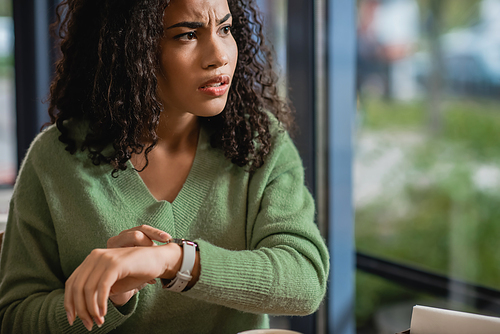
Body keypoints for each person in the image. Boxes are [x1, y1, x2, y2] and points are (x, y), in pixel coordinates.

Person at [0, 0, 329, 332]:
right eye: (187, 35)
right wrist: (110, 298)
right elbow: (15, 318)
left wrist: (173, 260)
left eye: (225, 29)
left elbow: (305, 279)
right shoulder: (54, 160)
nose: (220, 56)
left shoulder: (259, 140)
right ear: (130, 46)